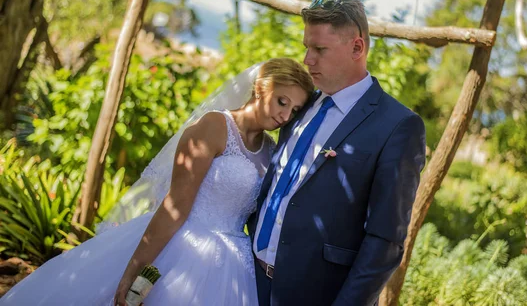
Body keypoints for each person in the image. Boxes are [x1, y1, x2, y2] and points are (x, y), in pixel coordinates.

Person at [0, 58, 313, 306]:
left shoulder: (273, 150)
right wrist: (133, 271)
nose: (285, 115)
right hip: (180, 246)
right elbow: (175, 206)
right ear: (260, 88)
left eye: (295, 109)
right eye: (281, 101)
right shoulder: (216, 126)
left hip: (232, 265)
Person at [248, 0, 427, 306]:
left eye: (319, 49)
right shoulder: (300, 104)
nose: (307, 59)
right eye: (306, 47)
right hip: (246, 278)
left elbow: (385, 241)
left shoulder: (398, 126)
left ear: (357, 48)